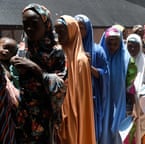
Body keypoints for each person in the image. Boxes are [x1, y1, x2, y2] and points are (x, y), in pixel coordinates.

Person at [10, 4, 66, 143]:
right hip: (22, 115)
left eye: (34, 24)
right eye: (25, 24)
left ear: (46, 24)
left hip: (44, 116)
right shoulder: (23, 48)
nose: (29, 29)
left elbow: (61, 85)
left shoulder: (56, 52)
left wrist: (36, 69)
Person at [54, 15, 96, 144]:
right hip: (57, 109)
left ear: (72, 31)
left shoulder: (81, 61)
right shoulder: (56, 53)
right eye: (57, 32)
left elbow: (81, 98)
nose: (59, 36)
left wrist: (66, 111)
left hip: (73, 112)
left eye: (62, 32)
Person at [74, 14, 109, 143]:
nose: (78, 30)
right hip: (73, 100)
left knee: (91, 132)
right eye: (76, 27)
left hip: (91, 100)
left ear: (88, 30)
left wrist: (89, 67)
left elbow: (105, 74)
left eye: (81, 28)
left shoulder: (98, 51)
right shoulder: (67, 50)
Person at [99, 27, 130, 144]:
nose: (112, 47)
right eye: (109, 43)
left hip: (118, 102)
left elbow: (130, 84)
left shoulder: (125, 58)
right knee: (102, 128)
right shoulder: (99, 56)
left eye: (115, 43)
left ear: (120, 43)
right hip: (102, 102)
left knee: (117, 131)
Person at [126, 34, 145, 144]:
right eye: (130, 46)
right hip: (126, 101)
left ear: (140, 46)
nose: (133, 49)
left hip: (142, 103)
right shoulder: (122, 60)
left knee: (141, 129)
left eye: (136, 46)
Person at [0, 38, 19, 144]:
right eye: (4, 47)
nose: (6, 52)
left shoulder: (13, 67)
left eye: (11, 51)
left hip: (10, 108)